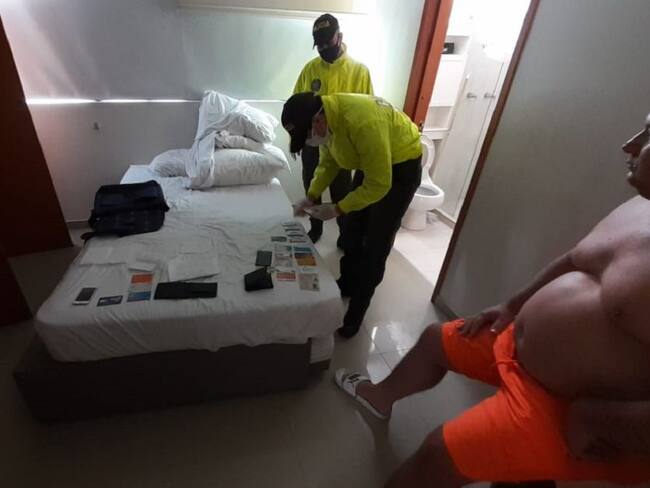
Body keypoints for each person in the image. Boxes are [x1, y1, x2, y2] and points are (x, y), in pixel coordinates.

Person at [334, 113, 650, 486]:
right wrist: (513, 305)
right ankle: (379, 396)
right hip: (518, 343)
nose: (629, 144)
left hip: (569, 407)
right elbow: (575, 259)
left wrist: (594, 419)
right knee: (435, 340)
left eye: (649, 133)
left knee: (436, 456)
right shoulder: (639, 205)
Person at [282, 92, 422, 338]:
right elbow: (329, 163)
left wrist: (337, 208)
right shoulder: (328, 123)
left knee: (375, 243)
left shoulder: (363, 123)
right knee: (352, 231)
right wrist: (311, 196)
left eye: (307, 135)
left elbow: (379, 184)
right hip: (372, 164)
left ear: (317, 120)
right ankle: (347, 283)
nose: (310, 141)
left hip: (401, 167)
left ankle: (357, 310)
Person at [292, 13, 374, 244]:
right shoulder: (310, 69)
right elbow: (297, 103)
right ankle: (315, 228)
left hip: (342, 146)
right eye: (319, 45)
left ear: (340, 37)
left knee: (342, 191)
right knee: (312, 185)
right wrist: (298, 136)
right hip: (313, 141)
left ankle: (344, 235)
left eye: (328, 42)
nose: (324, 48)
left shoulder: (359, 71)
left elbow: (368, 112)